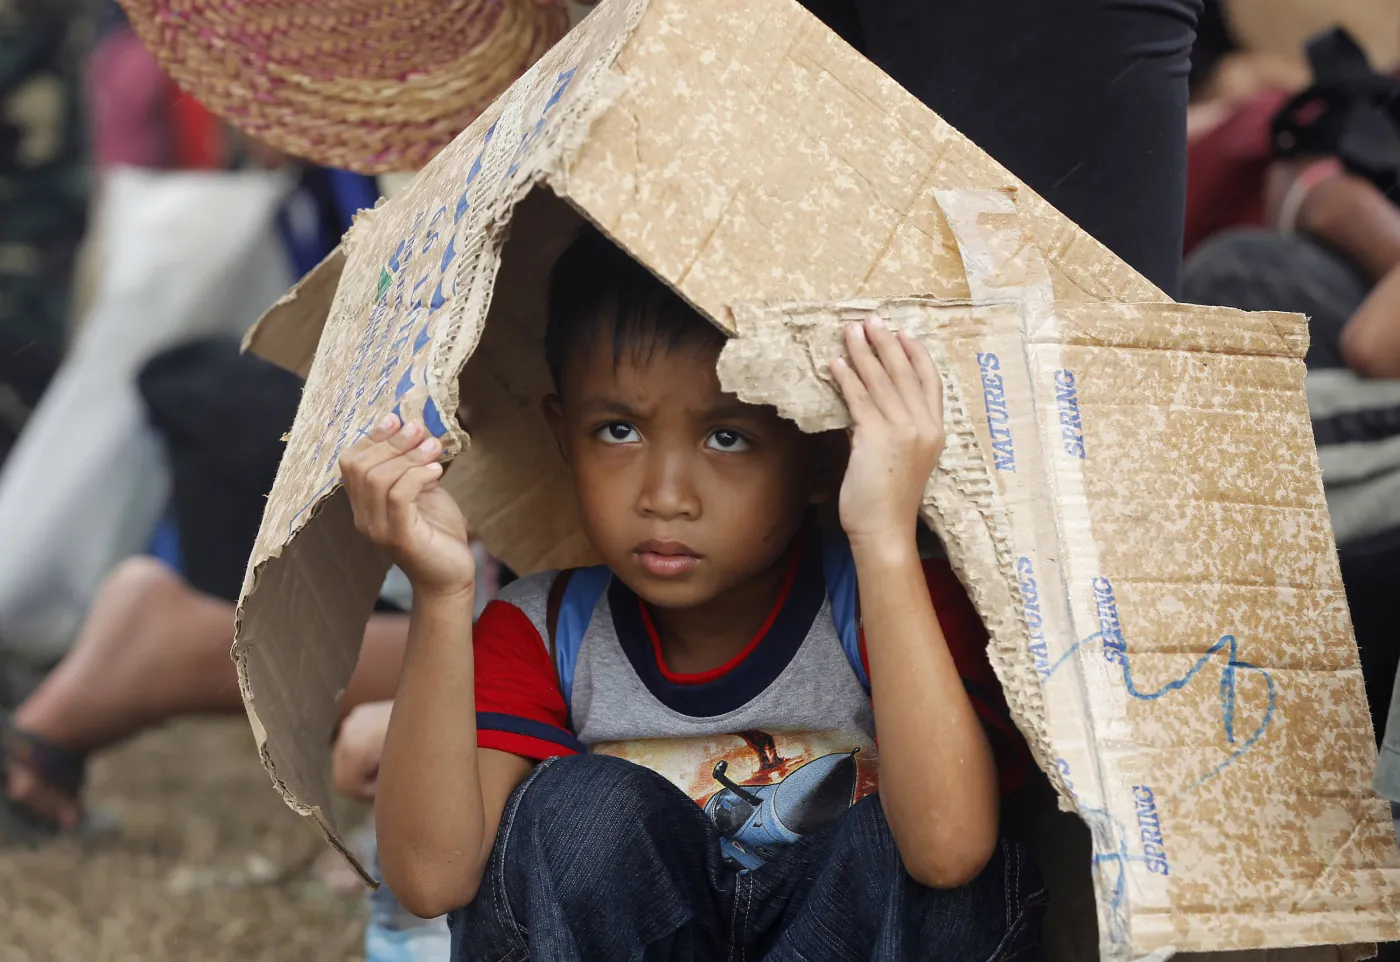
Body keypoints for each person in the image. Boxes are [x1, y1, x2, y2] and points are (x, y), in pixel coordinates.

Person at [339, 228, 1041, 962]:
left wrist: (884, 536)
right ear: (562, 434)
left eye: (728, 438)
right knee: (577, 811)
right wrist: (442, 592)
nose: (666, 496)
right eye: (618, 430)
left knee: (887, 843)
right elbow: (429, 881)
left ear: (821, 451)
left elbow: (948, 858)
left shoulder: (894, 601)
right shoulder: (543, 632)